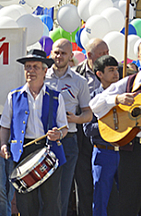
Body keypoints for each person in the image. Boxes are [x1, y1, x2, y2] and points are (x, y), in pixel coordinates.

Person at [90, 38, 141, 215]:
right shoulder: (127, 83)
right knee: (128, 202)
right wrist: (116, 99)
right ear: (138, 57)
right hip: (130, 151)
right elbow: (95, 105)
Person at [0, 49, 68, 216]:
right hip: (23, 152)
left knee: (51, 201)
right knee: (26, 203)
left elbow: (64, 127)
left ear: (45, 71)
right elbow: (5, 126)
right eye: (28, 67)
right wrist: (3, 145)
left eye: (35, 67)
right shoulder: (14, 96)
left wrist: (58, 134)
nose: (31, 71)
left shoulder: (55, 96)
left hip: (49, 152)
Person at [45, 39, 90, 216]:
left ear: (71, 56)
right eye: (56, 52)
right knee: (42, 195)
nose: (59, 56)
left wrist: (76, 119)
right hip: (42, 140)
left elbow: (88, 113)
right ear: (51, 54)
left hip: (68, 141)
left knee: (62, 195)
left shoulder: (80, 82)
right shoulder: (41, 77)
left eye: (64, 53)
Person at [74, 38, 109, 216]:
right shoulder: (76, 75)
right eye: (102, 54)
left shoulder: (117, 73)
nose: (106, 56)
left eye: (107, 52)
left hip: (107, 138)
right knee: (84, 185)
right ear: (89, 56)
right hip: (81, 137)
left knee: (105, 186)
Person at [84, 55, 120, 216]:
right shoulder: (93, 98)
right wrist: (110, 124)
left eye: (116, 69)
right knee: (100, 198)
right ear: (99, 74)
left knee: (129, 198)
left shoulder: (127, 95)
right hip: (103, 152)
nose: (116, 73)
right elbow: (88, 129)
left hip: (127, 152)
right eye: (110, 70)